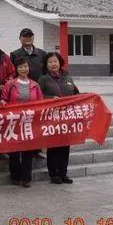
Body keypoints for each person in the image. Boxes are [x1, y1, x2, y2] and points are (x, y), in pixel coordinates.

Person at [2, 56, 45, 188]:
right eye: (20, 67)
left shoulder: (35, 85)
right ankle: (15, 176)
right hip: (13, 121)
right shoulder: (10, 84)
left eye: (25, 66)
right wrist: (3, 103)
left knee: (27, 151)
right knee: (14, 150)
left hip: (29, 122)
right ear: (16, 68)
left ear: (29, 68)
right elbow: (3, 99)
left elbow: (41, 102)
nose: (23, 69)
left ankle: (26, 178)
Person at [38, 52, 79, 185]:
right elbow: (38, 97)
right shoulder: (43, 79)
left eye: (55, 61)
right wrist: (50, 99)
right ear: (46, 65)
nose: (53, 64)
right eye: (50, 62)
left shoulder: (68, 78)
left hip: (67, 118)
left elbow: (76, 93)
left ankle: (63, 173)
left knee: (65, 147)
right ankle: (54, 174)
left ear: (60, 62)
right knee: (53, 147)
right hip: (52, 118)